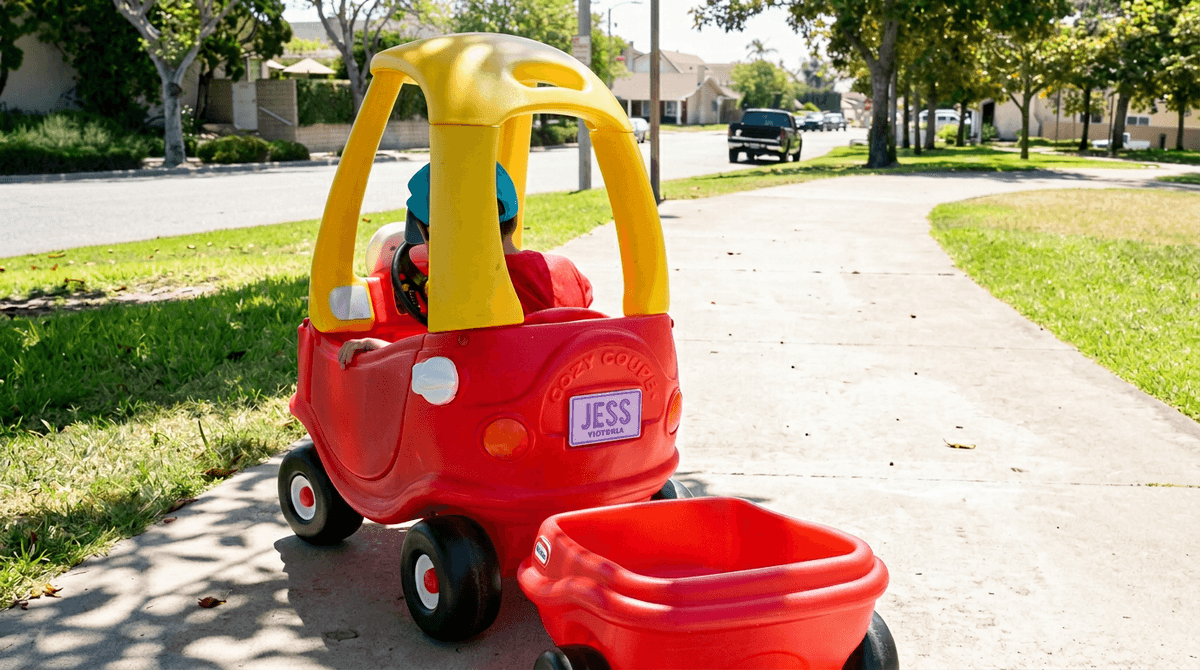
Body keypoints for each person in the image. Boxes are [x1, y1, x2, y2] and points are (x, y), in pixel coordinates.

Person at [338, 162, 594, 369]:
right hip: (564, 390)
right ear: (513, 217)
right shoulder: (564, 270)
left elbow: (436, 360)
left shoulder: (463, 291)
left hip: (495, 406)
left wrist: (382, 349)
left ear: (431, 233)